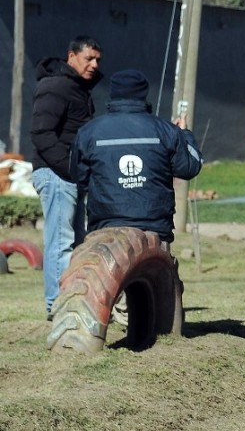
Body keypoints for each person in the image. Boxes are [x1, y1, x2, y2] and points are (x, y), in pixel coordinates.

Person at [69, 69, 203, 245]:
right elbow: (190, 167)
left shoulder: (89, 132)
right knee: (152, 273)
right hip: (154, 230)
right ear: (144, 94)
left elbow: (77, 176)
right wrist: (184, 133)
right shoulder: (166, 131)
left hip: (105, 227)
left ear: (113, 93)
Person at [30, 35, 102, 318]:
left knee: (76, 243)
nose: (95, 65)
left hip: (70, 176)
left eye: (98, 59)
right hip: (56, 174)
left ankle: (71, 301)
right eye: (89, 58)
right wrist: (69, 169)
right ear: (71, 56)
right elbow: (40, 133)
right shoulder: (56, 85)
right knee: (60, 242)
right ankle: (57, 306)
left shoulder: (78, 89)